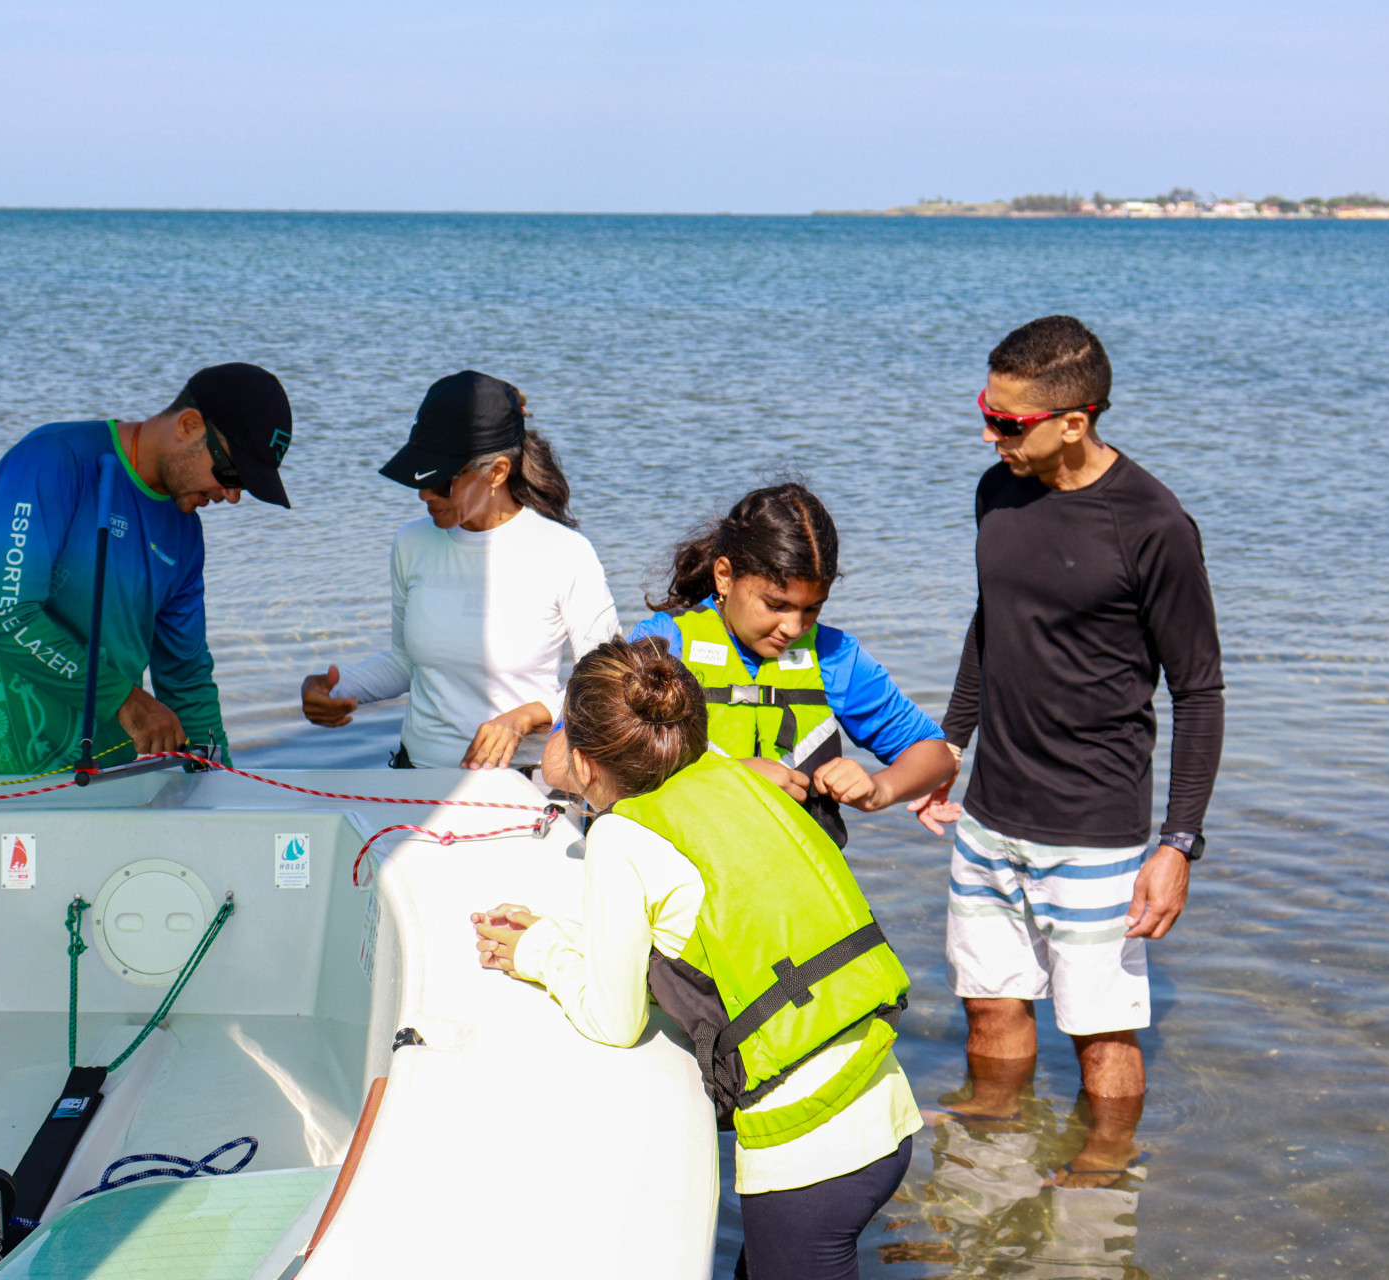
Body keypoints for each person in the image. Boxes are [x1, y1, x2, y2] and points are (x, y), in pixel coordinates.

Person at [473, 637, 920, 1280]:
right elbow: (709, 934)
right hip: (881, 1100)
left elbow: (613, 1020)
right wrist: (568, 933)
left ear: (586, 764)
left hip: (810, 1153)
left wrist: (540, 951)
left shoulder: (621, 835)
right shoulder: (727, 772)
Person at [909, 315, 1224, 1171]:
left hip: (1095, 832)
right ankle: (989, 1170)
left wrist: (1178, 845)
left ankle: (1099, 1189)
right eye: (987, 410)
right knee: (988, 1004)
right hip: (988, 816)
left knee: (1099, 1032)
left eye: (1008, 422)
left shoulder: (1153, 525)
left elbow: (1198, 691)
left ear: (1075, 421)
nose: (989, 433)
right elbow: (992, 626)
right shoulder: (995, 492)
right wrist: (949, 748)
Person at [0, 363, 296, 775]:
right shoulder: (52, 460)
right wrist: (125, 701)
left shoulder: (184, 534)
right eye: (231, 472)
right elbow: (2, 615)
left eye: (245, 486)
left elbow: (186, 677)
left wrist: (221, 780)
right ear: (188, 425)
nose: (233, 495)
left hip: (105, 781)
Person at [562, 482, 954, 847]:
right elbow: (559, 760)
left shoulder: (836, 657)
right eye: (775, 605)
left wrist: (878, 789)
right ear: (725, 576)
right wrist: (726, 779)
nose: (793, 627)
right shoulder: (666, 644)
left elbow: (932, 752)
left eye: (811, 608)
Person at [299, 370, 619, 771]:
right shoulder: (411, 544)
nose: (423, 493)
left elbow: (607, 684)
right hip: (413, 775)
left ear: (497, 472)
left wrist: (525, 717)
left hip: (520, 783)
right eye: (419, 475)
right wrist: (334, 688)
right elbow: (405, 662)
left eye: (440, 481)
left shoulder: (566, 554)